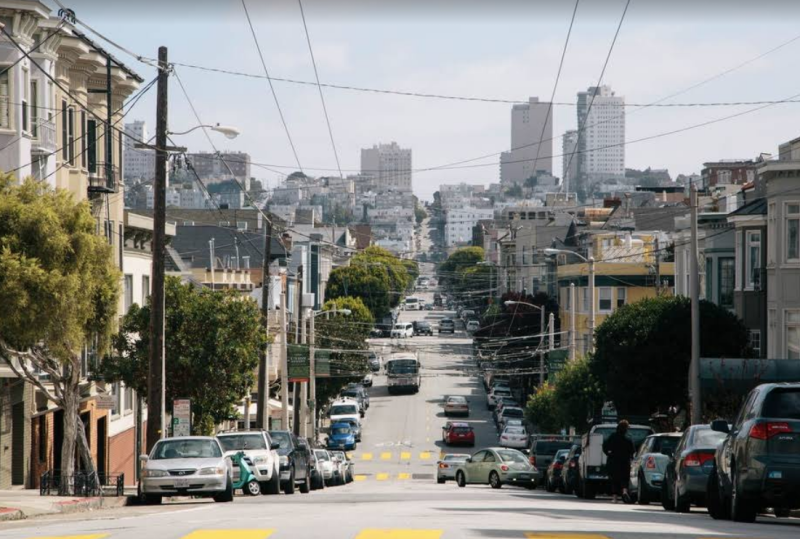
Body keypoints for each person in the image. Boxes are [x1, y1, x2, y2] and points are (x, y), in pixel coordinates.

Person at [603, 419, 635, 503]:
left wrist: (609, 453)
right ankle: (624, 491)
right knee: (624, 478)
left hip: (613, 461)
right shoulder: (628, 439)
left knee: (614, 480)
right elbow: (632, 450)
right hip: (624, 462)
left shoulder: (612, 436)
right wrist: (630, 457)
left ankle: (614, 497)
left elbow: (605, 446)